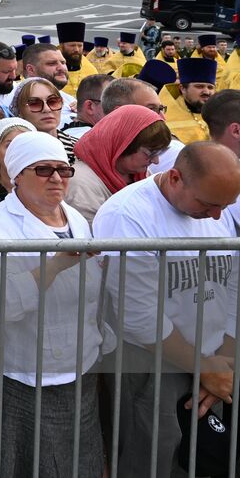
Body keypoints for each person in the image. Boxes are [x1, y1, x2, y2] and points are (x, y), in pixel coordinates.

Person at [93, 142, 240, 478]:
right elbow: (138, 316)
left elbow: (233, 283)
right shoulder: (127, 215)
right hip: (151, 363)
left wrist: (223, 363)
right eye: (208, 204)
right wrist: (206, 367)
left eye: (226, 205)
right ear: (175, 178)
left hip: (216, 358)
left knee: (210, 460)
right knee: (151, 461)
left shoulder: (217, 205)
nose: (218, 215)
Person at [0, 132, 110, 478]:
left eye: (64, 170)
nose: (57, 178)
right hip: (29, 372)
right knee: (34, 464)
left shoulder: (74, 218)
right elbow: (0, 304)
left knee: (82, 462)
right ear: (17, 176)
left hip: (82, 363)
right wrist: (57, 263)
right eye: (44, 170)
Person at [66, 104, 172, 225]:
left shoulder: (142, 174)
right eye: (151, 152)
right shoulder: (80, 184)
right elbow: (94, 238)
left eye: (160, 152)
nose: (156, 161)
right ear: (123, 145)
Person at [10, 77, 78, 162]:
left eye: (53, 101)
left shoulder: (79, 148)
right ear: (20, 111)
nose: (47, 109)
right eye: (35, 104)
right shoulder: (13, 152)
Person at [161, 57, 216, 144]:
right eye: (199, 86)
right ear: (182, 88)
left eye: (210, 87)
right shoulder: (164, 115)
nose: (206, 92)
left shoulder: (220, 112)